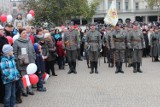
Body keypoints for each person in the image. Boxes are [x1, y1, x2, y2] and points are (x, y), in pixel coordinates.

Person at [13, 28, 36, 96]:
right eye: (23, 33)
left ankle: (30, 90)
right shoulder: (16, 42)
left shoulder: (29, 40)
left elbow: (33, 50)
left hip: (31, 62)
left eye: (26, 32)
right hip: (22, 62)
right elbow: (15, 53)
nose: (25, 34)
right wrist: (17, 60)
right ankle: (24, 91)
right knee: (24, 77)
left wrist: (34, 56)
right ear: (20, 34)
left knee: (29, 76)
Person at [0, 25, 9, 103]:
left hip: (5, 61)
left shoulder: (5, 38)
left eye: (2, 29)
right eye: (1, 30)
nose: (2, 31)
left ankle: (4, 98)